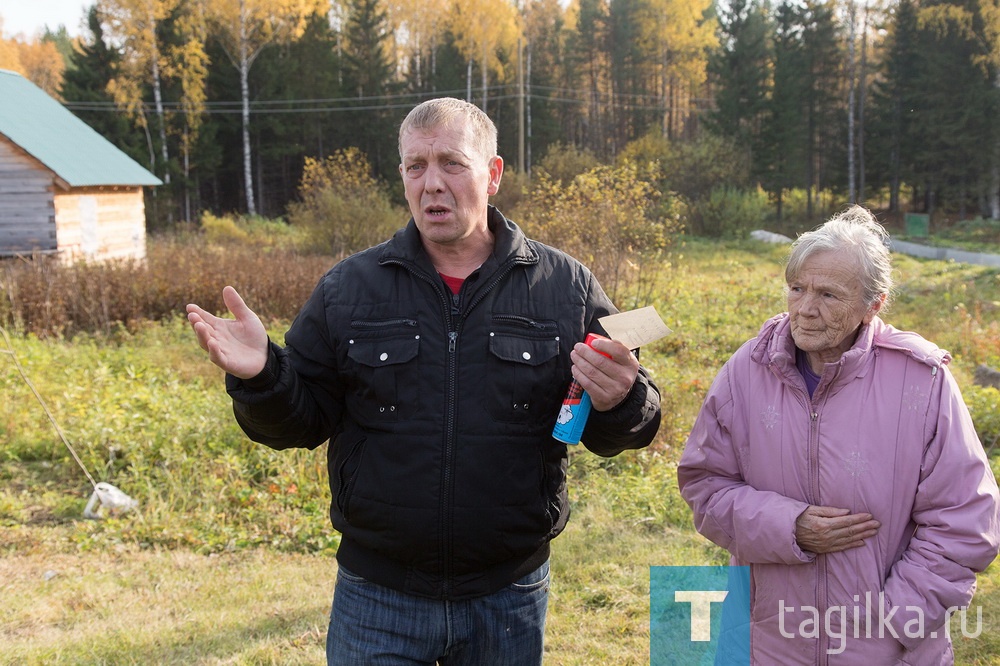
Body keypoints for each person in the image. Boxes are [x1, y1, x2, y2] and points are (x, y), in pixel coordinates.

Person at [186, 97, 661, 665]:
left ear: (493, 174)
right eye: (416, 166)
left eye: (451, 163)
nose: (431, 183)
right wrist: (264, 375)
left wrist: (623, 399)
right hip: (378, 596)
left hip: (507, 597)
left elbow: (620, 425)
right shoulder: (350, 288)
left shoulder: (564, 287)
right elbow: (302, 419)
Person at [677, 205, 1000, 664]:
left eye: (829, 294)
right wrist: (790, 528)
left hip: (887, 647)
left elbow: (966, 519)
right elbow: (705, 486)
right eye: (796, 289)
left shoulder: (921, 381)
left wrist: (895, 621)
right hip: (767, 642)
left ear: (874, 304)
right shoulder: (747, 371)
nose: (805, 310)